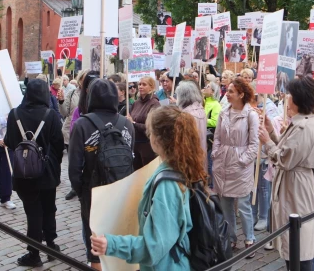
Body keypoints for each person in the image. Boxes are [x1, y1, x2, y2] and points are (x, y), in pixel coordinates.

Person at [90, 106, 207, 270]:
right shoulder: (179, 165)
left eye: (150, 132)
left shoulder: (167, 185)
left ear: (159, 139)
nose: (148, 136)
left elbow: (154, 248)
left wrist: (112, 244)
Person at [69, 79, 135, 270]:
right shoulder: (126, 124)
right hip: (121, 190)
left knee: (95, 242)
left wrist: (81, 191)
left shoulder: (82, 124)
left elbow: (74, 166)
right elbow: (130, 156)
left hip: (94, 191)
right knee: (118, 236)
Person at [258, 76, 314, 271]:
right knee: (294, 240)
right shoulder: (301, 122)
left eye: (291, 94)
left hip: (295, 186)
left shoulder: (303, 126)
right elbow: (289, 150)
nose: (288, 98)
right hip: (293, 183)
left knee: (297, 240)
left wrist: (268, 141)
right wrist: (273, 133)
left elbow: (285, 159)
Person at [4, 79, 64, 267]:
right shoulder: (51, 115)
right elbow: (59, 145)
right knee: (49, 209)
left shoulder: (14, 114)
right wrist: (54, 165)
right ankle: (51, 245)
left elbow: (11, 142)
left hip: (25, 172)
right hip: (47, 172)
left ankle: (34, 253)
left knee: (33, 213)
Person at [211, 77, 259, 257]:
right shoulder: (224, 112)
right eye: (227, 91)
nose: (227, 94)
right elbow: (216, 137)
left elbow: (254, 144)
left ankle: (249, 238)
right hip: (222, 163)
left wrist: (243, 160)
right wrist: (216, 153)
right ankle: (231, 238)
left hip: (240, 165)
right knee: (225, 204)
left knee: (244, 204)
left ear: (241, 94)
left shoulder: (251, 115)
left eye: (231, 91)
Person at [252, 94, 279, 232]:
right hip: (253, 153)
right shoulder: (251, 108)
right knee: (253, 186)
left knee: (263, 188)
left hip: (263, 152)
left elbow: (272, 126)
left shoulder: (269, 107)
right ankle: (253, 214)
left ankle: (263, 216)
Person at [59, 70, 87, 201]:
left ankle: (86, 185)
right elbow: (64, 112)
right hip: (72, 131)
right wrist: (61, 101)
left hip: (88, 132)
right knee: (73, 161)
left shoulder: (94, 92)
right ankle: (74, 186)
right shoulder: (72, 93)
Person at [128, 76, 161, 170]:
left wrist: (134, 123)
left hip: (147, 146)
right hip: (135, 144)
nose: (141, 86)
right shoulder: (136, 103)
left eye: (144, 84)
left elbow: (152, 127)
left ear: (151, 87)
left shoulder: (154, 104)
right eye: (139, 84)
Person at [176, 80, 207, 167]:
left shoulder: (186, 115)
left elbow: (184, 143)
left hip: (190, 159)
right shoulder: (201, 109)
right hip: (201, 154)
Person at [202, 82, 221, 181]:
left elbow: (215, 122)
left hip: (209, 138)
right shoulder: (203, 102)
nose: (205, 87)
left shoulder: (216, 105)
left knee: (209, 163)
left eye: (208, 87)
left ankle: (211, 186)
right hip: (201, 136)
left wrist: (201, 119)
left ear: (213, 92)